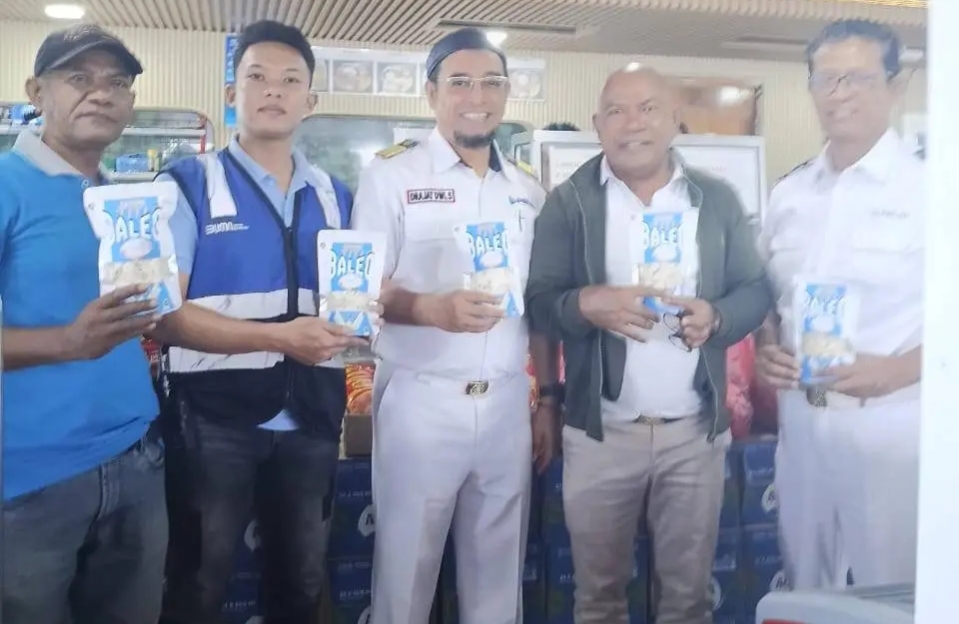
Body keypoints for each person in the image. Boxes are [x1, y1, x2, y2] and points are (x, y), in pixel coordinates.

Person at [525, 66, 772, 624]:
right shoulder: (569, 203)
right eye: (616, 111)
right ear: (597, 124)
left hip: (693, 435)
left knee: (687, 601)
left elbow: (756, 290)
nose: (632, 123)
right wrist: (587, 303)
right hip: (601, 434)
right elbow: (538, 304)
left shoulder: (716, 200)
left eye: (648, 108)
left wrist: (719, 317)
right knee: (598, 600)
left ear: (675, 119)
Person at [153, 21, 360, 624]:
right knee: (198, 581)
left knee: (302, 582)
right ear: (231, 94)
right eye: (258, 77)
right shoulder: (187, 184)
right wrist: (278, 338)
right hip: (212, 418)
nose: (274, 90)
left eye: (291, 80)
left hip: (313, 416)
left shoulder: (336, 195)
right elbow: (163, 315)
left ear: (310, 101)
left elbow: (354, 300)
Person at [351, 27, 560, 624]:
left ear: (507, 93)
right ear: (431, 93)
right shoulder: (393, 176)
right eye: (460, 82)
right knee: (405, 577)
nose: (477, 96)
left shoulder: (527, 191)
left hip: (506, 406)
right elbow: (359, 288)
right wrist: (428, 309)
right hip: (422, 401)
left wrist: (546, 398)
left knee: (498, 582)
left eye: (491, 83)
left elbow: (540, 304)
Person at [0, 24, 167, 624]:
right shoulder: (7, 185)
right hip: (30, 478)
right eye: (79, 78)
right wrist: (68, 342)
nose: (100, 93)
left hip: (137, 457)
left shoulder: (119, 202)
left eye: (116, 83)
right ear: (36, 92)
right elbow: (79, 338)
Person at [756, 19, 923, 590]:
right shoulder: (790, 193)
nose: (840, 93)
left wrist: (900, 369)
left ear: (895, 86)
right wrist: (768, 345)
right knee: (806, 586)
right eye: (826, 79)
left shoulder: (932, 190)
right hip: (802, 426)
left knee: (892, 591)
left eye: (857, 78)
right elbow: (770, 295)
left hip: (891, 427)